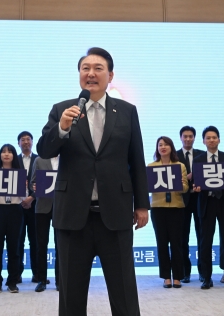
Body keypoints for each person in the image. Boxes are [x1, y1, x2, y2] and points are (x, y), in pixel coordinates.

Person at [37, 47, 149, 315]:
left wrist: (142, 204)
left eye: (98, 68)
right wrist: (61, 128)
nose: (91, 73)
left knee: (124, 294)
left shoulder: (127, 111)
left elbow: (136, 159)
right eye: (85, 68)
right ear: (79, 75)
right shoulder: (62, 110)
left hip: (116, 214)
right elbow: (44, 150)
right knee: (71, 296)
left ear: (110, 75)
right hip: (73, 216)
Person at [192, 127, 224, 291]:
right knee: (205, 241)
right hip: (207, 202)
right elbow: (195, 182)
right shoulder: (198, 159)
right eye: (208, 138)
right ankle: (206, 277)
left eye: (214, 137)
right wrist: (196, 188)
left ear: (219, 140)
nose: (211, 140)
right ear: (204, 141)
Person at [148, 136, 189, 288]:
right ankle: (166, 276)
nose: (163, 147)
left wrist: (176, 183)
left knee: (177, 243)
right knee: (161, 243)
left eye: (166, 144)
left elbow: (185, 188)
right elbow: (148, 187)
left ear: (171, 147)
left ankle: (178, 276)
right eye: (160, 145)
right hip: (158, 208)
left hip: (176, 208)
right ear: (157, 148)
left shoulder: (180, 166)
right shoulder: (151, 166)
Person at [0, 144, 24, 294]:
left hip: (15, 211)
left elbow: (24, 196)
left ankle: (12, 281)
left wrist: (25, 187)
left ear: (14, 155)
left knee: (14, 248)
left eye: (9, 152)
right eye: (3, 152)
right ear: (0, 155)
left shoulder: (20, 173)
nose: (6, 155)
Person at [176, 126, 205, 283]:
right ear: (180, 138)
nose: (188, 139)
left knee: (202, 236)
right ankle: (185, 272)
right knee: (182, 237)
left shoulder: (202, 154)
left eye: (190, 136)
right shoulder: (175, 155)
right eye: (185, 136)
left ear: (194, 138)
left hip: (200, 198)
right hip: (182, 200)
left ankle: (203, 271)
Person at [30, 155, 60, 292]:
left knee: (61, 245)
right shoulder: (39, 159)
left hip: (62, 207)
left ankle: (60, 280)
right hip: (42, 207)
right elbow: (32, 182)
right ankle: (41, 280)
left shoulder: (67, 157)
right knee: (41, 244)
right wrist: (34, 187)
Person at [17, 131, 38, 284]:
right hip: (17, 206)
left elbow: (43, 182)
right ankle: (16, 274)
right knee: (18, 240)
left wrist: (31, 198)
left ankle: (37, 274)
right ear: (18, 143)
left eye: (28, 139)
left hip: (36, 206)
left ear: (32, 142)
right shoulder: (13, 160)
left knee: (35, 240)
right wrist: (22, 199)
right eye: (22, 140)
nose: (26, 142)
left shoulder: (40, 159)